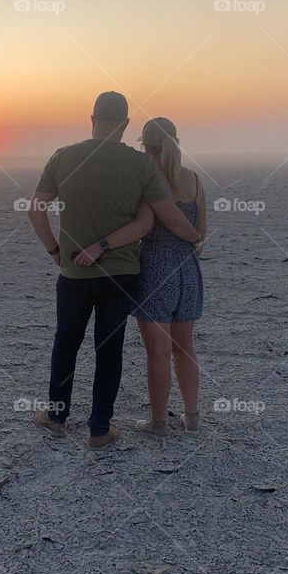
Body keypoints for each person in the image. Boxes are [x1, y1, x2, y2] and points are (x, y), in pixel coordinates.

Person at [26, 93, 201, 450]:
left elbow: (35, 209)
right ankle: (99, 429)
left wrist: (55, 249)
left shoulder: (63, 156)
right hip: (121, 275)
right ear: (124, 125)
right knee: (110, 349)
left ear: (91, 118)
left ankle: (56, 417)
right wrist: (196, 237)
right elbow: (161, 217)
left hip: (73, 273)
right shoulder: (140, 164)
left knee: (66, 343)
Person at [77, 117, 205, 437]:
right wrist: (189, 244)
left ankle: (158, 422)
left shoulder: (148, 182)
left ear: (146, 147)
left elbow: (144, 226)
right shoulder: (194, 180)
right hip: (189, 270)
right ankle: (192, 418)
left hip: (155, 268)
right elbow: (201, 235)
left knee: (157, 352)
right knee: (185, 348)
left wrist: (102, 244)